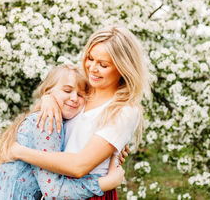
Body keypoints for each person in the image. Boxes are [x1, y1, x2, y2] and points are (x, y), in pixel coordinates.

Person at [10, 26, 152, 199]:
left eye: (103, 64)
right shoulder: (80, 91)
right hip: (55, 187)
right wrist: (48, 98)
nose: (92, 68)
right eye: (90, 58)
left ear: (123, 68)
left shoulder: (124, 110)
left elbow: (79, 166)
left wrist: (19, 152)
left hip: (88, 192)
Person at [0, 64, 124, 200]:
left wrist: (108, 148)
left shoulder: (54, 119)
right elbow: (53, 191)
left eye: (81, 94)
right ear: (48, 91)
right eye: (67, 90)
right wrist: (105, 183)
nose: (74, 98)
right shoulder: (49, 123)